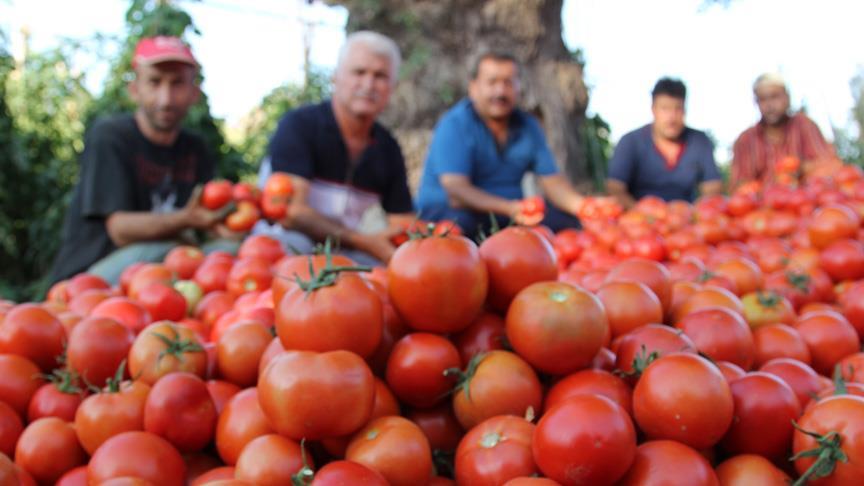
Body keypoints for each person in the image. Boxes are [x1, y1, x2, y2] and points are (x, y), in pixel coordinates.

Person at [49, 36, 230, 284]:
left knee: (226, 252)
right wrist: (187, 219)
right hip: (90, 275)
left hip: (154, 277)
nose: (165, 99)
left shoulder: (196, 148)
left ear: (194, 93)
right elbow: (120, 229)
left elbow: (203, 220)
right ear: (134, 89)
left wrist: (227, 225)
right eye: (155, 82)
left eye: (177, 83)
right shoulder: (111, 136)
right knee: (172, 251)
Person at [254, 31, 414, 265]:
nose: (369, 84)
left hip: (346, 249)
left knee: (384, 269)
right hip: (287, 240)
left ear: (392, 87)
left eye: (380, 76)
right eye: (359, 72)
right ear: (336, 77)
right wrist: (363, 241)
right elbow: (291, 213)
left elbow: (402, 221)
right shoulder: (300, 125)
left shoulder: (387, 147)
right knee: (295, 250)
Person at [415, 52, 585, 237]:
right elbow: (457, 192)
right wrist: (510, 208)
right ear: (473, 88)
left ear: (519, 87)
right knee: (457, 229)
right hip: (452, 212)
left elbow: (553, 182)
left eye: (508, 82)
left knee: (568, 222)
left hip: (507, 214)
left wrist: (585, 207)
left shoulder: (528, 126)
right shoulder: (455, 124)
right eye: (492, 82)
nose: (500, 91)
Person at [606, 77, 723, 208]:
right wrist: (644, 215)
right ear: (653, 109)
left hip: (686, 219)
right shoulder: (630, 142)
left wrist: (694, 214)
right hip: (639, 220)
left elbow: (712, 188)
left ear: (685, 110)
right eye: (665, 108)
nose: (671, 117)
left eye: (677, 109)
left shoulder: (700, 141)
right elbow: (615, 188)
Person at [730, 73, 838, 187]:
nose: (769, 105)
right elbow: (739, 186)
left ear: (787, 97)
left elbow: (830, 165)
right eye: (763, 99)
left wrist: (799, 168)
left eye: (774, 97)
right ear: (756, 103)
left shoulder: (804, 125)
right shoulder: (745, 140)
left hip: (806, 198)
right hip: (765, 202)